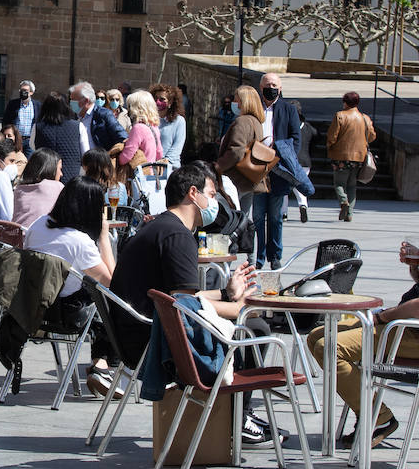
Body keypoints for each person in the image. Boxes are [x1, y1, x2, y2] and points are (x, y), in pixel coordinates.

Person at [308, 184, 419, 447]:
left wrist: (383, 317)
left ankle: (378, 417)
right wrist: (418, 268)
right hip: (408, 329)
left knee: (329, 346)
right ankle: (372, 413)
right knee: (317, 336)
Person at [107, 162, 273, 443]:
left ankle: (237, 414)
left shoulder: (163, 226)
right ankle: (237, 417)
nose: (214, 202)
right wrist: (238, 309)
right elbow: (184, 307)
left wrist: (227, 294)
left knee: (246, 321)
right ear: (192, 194)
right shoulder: (177, 236)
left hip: (134, 336)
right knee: (255, 328)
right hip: (154, 343)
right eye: (211, 193)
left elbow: (179, 296)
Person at [20, 176, 120, 391]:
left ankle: (101, 366)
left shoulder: (38, 225)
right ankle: (101, 365)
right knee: (111, 304)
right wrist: (104, 237)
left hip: (30, 307)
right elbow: (112, 283)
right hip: (65, 313)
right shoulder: (78, 241)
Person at [252, 73, 299, 270]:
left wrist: (283, 157)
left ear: (280, 88)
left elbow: (296, 138)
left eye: (274, 85)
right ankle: (259, 256)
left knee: (275, 217)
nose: (270, 88)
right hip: (257, 169)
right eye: (267, 85)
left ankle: (275, 255)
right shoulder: (254, 109)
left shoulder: (288, 110)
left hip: (278, 169)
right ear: (260, 87)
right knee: (257, 216)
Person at [215, 85, 267, 215]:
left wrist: (218, 166)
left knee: (232, 216)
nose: (234, 103)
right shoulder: (256, 122)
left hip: (236, 178)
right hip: (249, 178)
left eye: (236, 100)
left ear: (243, 102)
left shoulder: (242, 121)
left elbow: (236, 151)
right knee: (244, 217)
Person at [327, 90, 376, 222]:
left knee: (339, 183)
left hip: (340, 156)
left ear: (345, 102)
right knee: (352, 185)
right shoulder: (365, 118)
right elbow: (372, 136)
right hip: (359, 156)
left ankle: (344, 202)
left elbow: (332, 136)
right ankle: (349, 213)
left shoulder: (340, 116)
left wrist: (330, 146)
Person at [33, 92, 89, 185]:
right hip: (71, 178)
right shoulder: (78, 126)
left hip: (45, 178)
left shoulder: (37, 127)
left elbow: (33, 148)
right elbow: (85, 154)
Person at [11, 148, 64, 229]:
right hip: (40, 239)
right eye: (60, 169)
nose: (61, 174)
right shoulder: (57, 187)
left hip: (17, 238)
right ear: (50, 169)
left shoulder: (18, 190)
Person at [70, 81, 125, 151]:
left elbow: (122, 137)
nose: (71, 103)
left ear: (86, 101)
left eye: (73, 100)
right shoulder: (73, 116)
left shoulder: (104, 114)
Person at [290, 101, 316, 223]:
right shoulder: (308, 127)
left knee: (284, 187)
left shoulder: (287, 126)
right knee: (300, 185)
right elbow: (316, 135)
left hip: (291, 160)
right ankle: (303, 204)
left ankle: (283, 212)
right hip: (305, 161)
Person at [151, 83, 186, 171]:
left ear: (170, 102)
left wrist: (165, 161)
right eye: (156, 99)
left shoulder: (179, 121)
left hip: (171, 168)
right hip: (151, 167)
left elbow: (177, 146)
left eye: (162, 99)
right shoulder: (150, 120)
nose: (158, 102)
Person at [1, 80, 38, 155]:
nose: (22, 92)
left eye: (25, 90)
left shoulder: (37, 105)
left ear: (31, 92)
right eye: (21, 90)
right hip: (16, 140)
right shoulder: (13, 104)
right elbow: (6, 120)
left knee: (29, 162)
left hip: (29, 140)